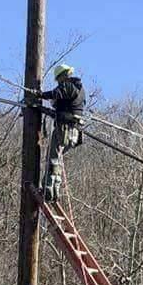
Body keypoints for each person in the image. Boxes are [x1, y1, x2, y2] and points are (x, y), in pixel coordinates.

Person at [39, 64, 86, 203]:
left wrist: (40, 95)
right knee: (57, 160)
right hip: (74, 133)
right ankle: (55, 191)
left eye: (58, 80)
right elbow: (66, 107)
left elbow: (56, 93)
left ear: (62, 76)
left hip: (65, 129)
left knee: (52, 158)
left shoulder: (67, 86)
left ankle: (48, 189)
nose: (58, 83)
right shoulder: (79, 89)